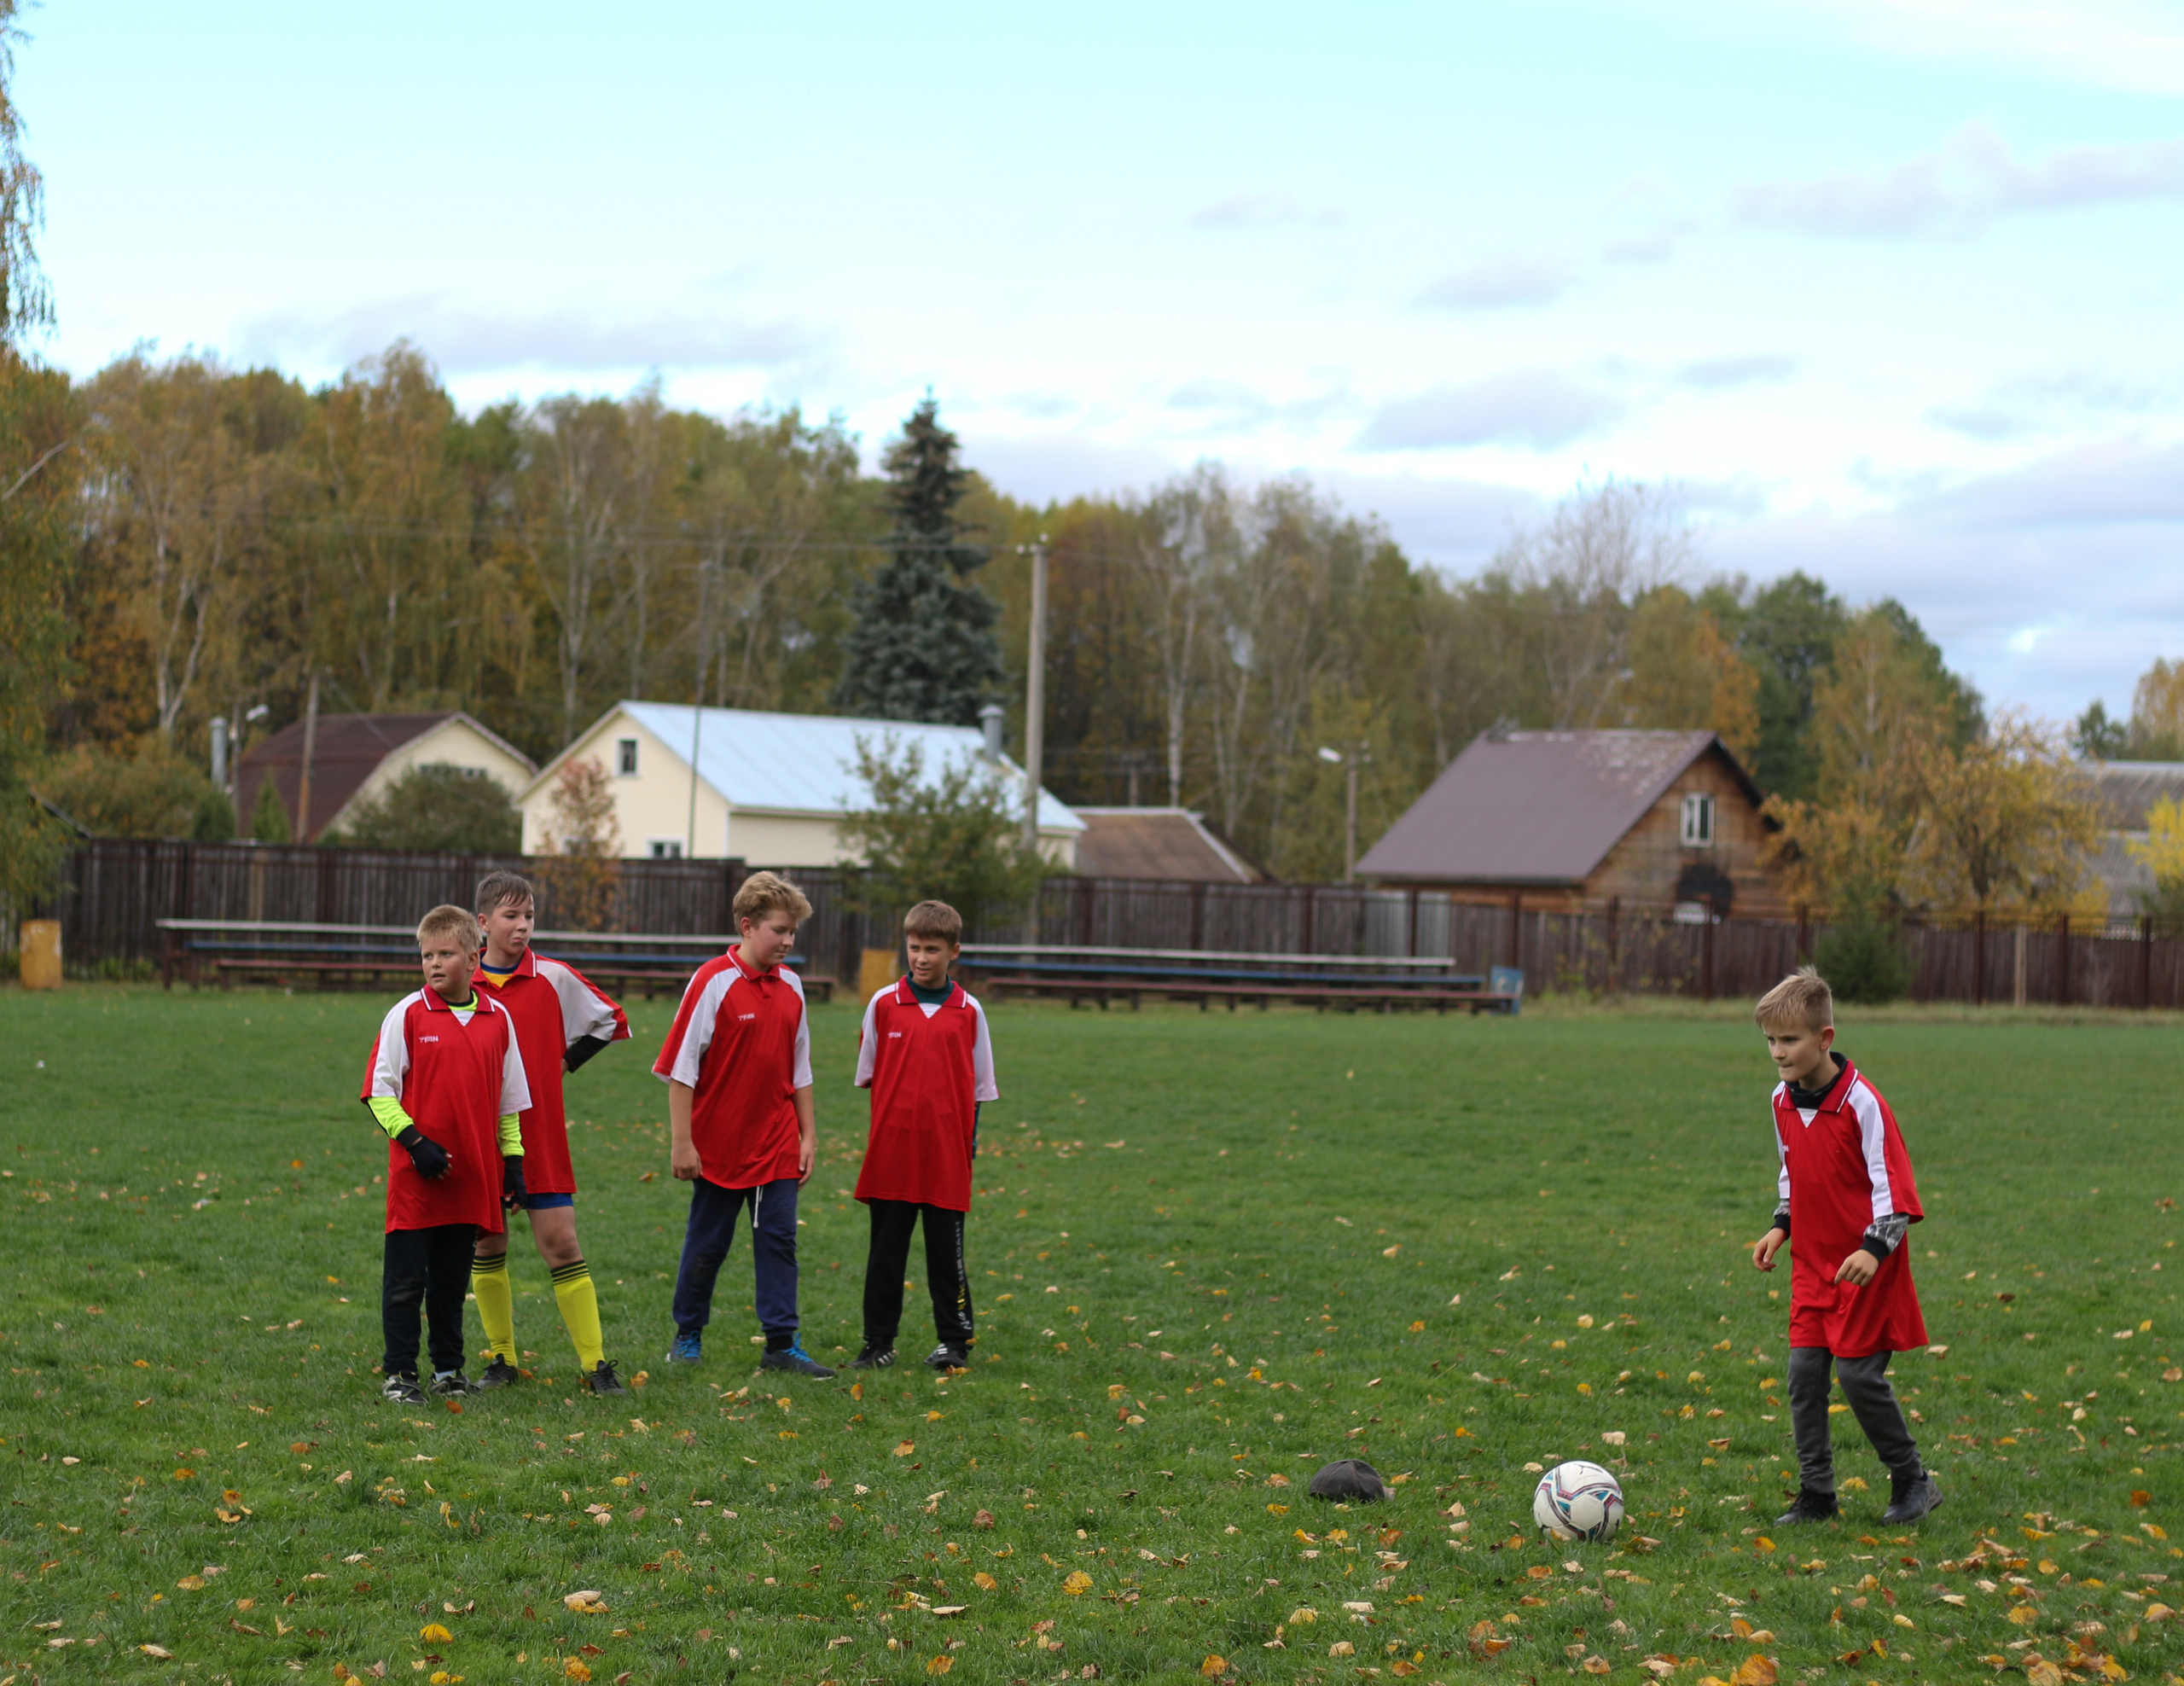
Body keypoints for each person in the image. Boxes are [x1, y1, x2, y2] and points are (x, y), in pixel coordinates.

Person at [1750, 966, 1940, 1526]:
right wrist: (1781, 1225)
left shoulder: (1864, 1104)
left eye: (1790, 1040)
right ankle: (1817, 1494)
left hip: (1864, 1267)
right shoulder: (1781, 1102)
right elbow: (1793, 1174)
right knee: (1804, 1374)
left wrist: (1872, 1250)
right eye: (1770, 1041)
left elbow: (1895, 1193)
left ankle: (1913, 1481)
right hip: (1812, 1265)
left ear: (1824, 1039)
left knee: (1857, 1376)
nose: (1778, 1053)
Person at [654, 870, 833, 1377]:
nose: (789, 941)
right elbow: (681, 1069)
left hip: (776, 1141)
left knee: (779, 1240)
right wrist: (682, 1143)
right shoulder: (712, 982)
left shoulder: (793, 986)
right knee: (708, 1246)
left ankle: (781, 1343)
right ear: (748, 925)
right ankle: (687, 1333)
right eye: (780, 930)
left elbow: (801, 1070)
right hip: (717, 1146)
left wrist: (808, 1135)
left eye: (793, 932)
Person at [467, 870, 632, 1397]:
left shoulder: (554, 977)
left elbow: (611, 1020)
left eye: (529, 916)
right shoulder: (460, 982)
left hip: (539, 1135)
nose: (522, 927)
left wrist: (561, 1062)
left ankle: (595, 1365)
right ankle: (503, 1361)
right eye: (511, 916)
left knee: (561, 1242)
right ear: (483, 923)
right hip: (481, 1138)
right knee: (489, 1242)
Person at [361, 904, 530, 1404]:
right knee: (406, 1282)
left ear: (474, 959)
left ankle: (449, 1370)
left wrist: (513, 1163)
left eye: (446, 954)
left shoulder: (498, 1019)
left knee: (452, 1284)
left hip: (470, 1179)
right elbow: (379, 1090)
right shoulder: (408, 1014)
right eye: (427, 955)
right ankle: (399, 1374)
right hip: (417, 1179)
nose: (434, 964)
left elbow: (509, 1100)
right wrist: (415, 1142)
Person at [847, 900, 998, 1372]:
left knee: (946, 1255)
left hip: (946, 1157)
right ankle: (878, 1343)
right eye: (914, 948)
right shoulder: (883, 1005)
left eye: (933, 949)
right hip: (892, 1152)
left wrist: (966, 1149)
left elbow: (978, 1091)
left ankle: (954, 1342)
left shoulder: (970, 1012)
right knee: (885, 1254)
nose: (922, 958)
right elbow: (869, 1075)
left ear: (954, 951)